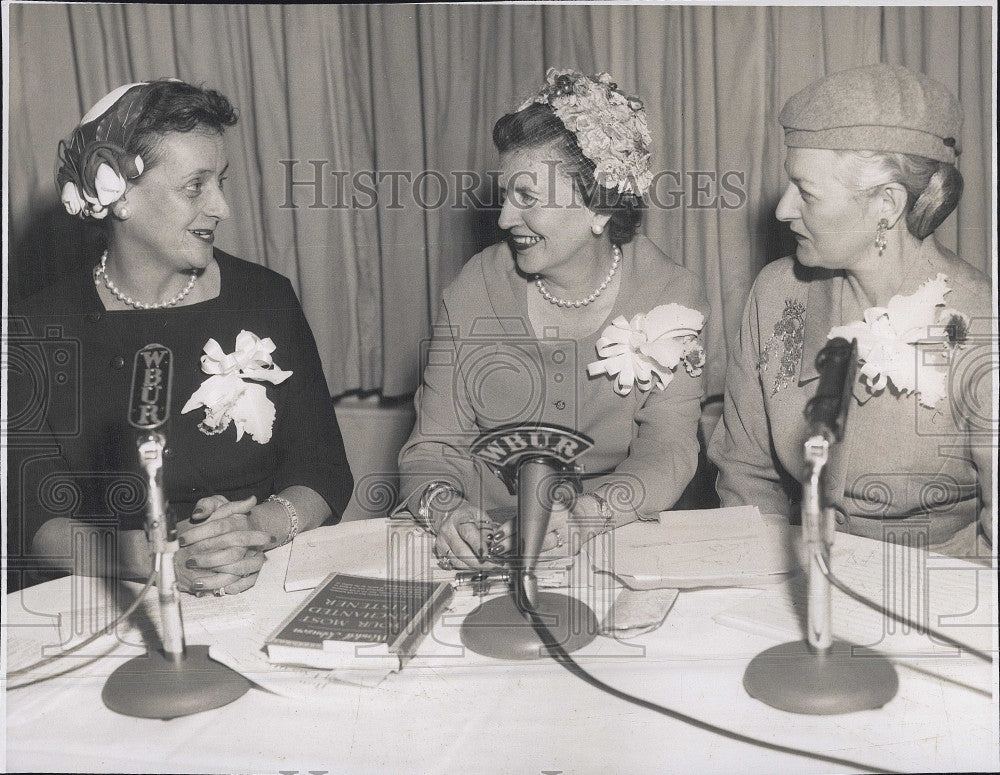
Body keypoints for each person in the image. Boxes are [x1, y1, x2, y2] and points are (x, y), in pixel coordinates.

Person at [10, 79, 353, 595]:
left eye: (221, 182)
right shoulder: (35, 329)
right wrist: (161, 557)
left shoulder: (266, 297)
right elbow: (38, 523)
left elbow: (323, 471)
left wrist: (255, 528)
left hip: (254, 573)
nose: (221, 207)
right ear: (120, 196)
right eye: (195, 186)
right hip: (112, 592)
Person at [398, 69, 709, 571]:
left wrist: (592, 515)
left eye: (527, 197)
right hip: (485, 540)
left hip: (612, 533)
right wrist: (445, 509)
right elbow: (433, 445)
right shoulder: (474, 288)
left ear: (600, 208)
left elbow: (669, 447)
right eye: (505, 196)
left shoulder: (671, 294)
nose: (503, 220)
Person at [709, 64, 993, 558]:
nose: (783, 210)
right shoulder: (778, 294)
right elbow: (745, 474)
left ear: (887, 204)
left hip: (940, 595)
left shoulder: (980, 322)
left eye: (808, 192)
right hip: (800, 580)